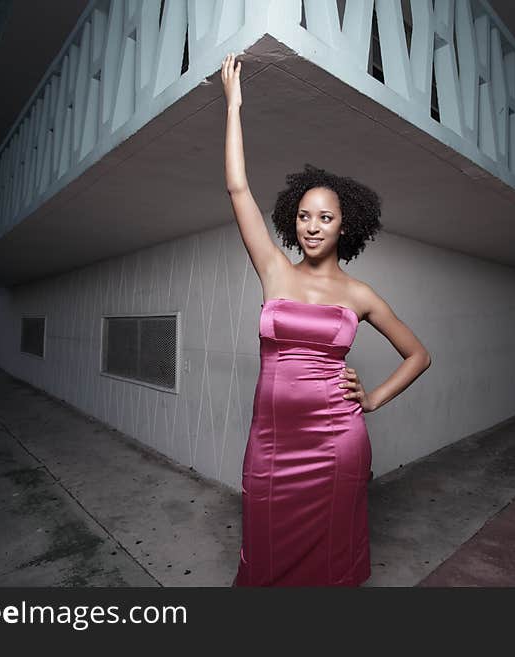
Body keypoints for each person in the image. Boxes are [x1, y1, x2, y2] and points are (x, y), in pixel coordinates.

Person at [221, 52, 432, 586]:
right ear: (293, 221)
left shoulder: (360, 293)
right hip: (271, 442)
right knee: (263, 554)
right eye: (304, 216)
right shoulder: (273, 270)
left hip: (337, 440)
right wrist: (234, 105)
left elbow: (419, 354)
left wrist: (374, 398)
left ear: (345, 226)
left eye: (326, 217)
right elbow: (238, 189)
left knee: (333, 562)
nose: (313, 227)